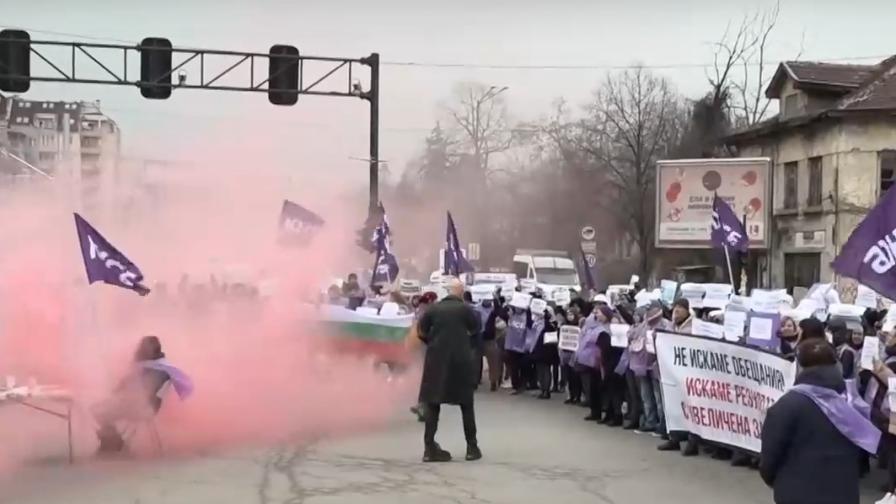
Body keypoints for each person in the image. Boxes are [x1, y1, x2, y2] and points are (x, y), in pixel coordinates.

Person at [760, 339, 881, 504]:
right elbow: (865, 446)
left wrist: (781, 482)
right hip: (844, 493)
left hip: (796, 493)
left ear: (800, 366)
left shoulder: (787, 404)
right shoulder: (851, 402)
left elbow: (769, 460)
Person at [417, 278, 482, 462]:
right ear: (460, 292)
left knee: (433, 404)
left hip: (435, 361)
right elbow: (476, 331)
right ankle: (472, 448)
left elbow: (421, 332)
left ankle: (429, 449)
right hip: (460, 362)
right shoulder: (466, 310)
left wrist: (432, 343)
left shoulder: (432, 309)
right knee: (466, 405)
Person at [92, 336, 193, 454]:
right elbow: (122, 388)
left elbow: (145, 391)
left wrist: (124, 393)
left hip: (144, 406)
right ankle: (113, 442)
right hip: (133, 403)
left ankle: (112, 444)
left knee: (100, 411)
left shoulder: (159, 369)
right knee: (97, 409)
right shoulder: (149, 367)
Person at [579, 305, 612, 423]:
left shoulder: (607, 328)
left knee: (602, 388)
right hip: (591, 361)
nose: (596, 315)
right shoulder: (593, 326)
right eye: (596, 313)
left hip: (602, 362)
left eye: (599, 313)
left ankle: (606, 412)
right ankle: (595, 411)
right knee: (592, 387)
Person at [533, 305, 560, 399]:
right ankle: (543, 389)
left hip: (546, 349)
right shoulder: (537, 323)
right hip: (540, 349)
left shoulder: (550, 324)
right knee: (541, 370)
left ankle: (546, 390)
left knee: (545, 370)